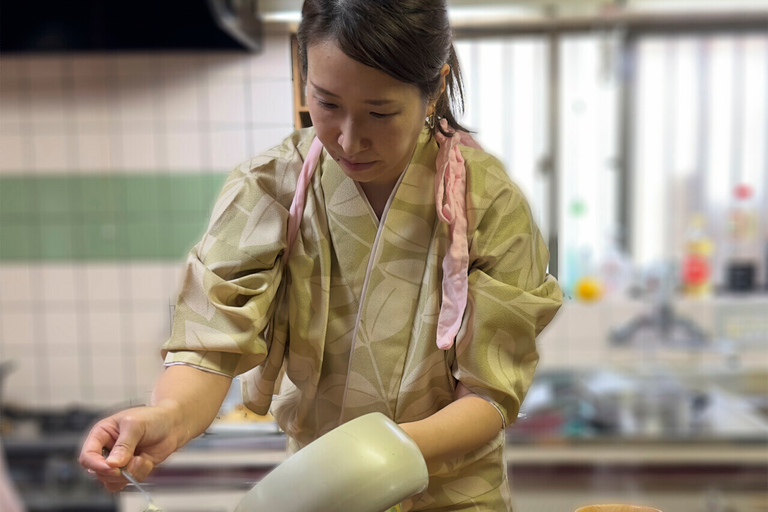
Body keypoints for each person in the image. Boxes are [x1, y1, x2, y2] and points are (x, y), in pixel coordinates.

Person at [79, 0, 562, 510]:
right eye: (327, 104)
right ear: (303, 72)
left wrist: (372, 460)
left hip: (455, 496)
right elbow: (210, 342)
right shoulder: (270, 187)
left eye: (380, 112)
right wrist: (169, 418)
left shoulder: (489, 202)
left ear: (435, 87)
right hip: (323, 494)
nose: (349, 140)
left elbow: (489, 394)